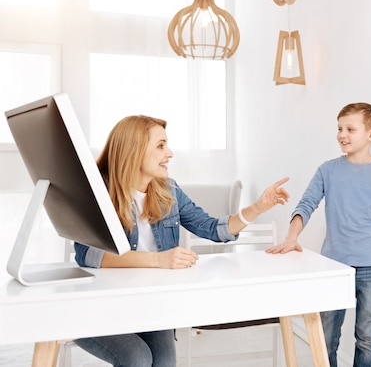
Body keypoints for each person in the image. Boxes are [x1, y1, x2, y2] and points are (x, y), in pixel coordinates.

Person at [73, 115, 290, 367]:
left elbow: (213, 229)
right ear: (134, 150)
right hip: (100, 306)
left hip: (150, 305)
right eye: (161, 145)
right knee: (137, 358)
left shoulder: (169, 191)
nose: (170, 153)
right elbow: (87, 254)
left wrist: (257, 207)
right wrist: (158, 260)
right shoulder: (99, 191)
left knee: (164, 362)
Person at [266, 102, 371, 367]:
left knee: (368, 338)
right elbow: (306, 204)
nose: (342, 135)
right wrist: (292, 238)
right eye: (339, 128)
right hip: (334, 265)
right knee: (324, 337)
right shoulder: (328, 170)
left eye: (350, 129)